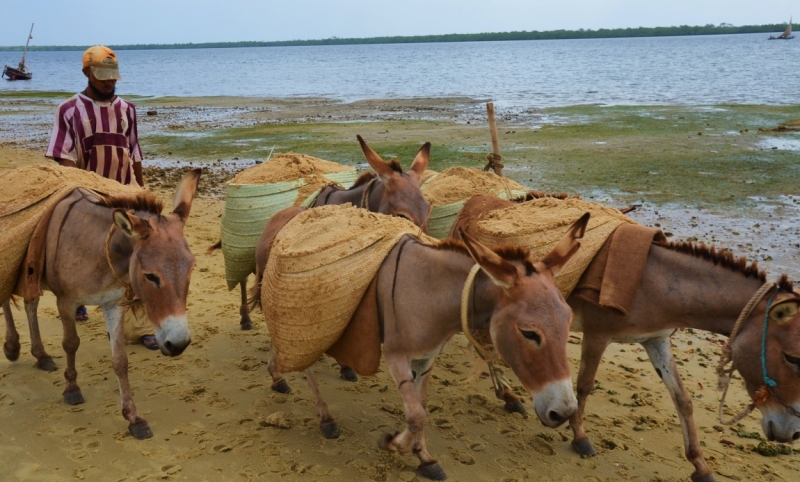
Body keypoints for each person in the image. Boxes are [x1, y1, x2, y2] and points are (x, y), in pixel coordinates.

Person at [45, 46, 157, 350]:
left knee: (139, 257)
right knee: (85, 254)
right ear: (86, 73)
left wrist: (142, 194)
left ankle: (140, 326)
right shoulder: (68, 110)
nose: (109, 83)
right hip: (89, 197)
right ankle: (78, 298)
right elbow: (63, 157)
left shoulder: (128, 109)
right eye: (102, 76)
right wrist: (85, 191)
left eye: (112, 77)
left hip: (126, 194)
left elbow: (133, 152)